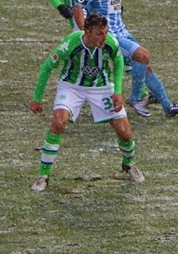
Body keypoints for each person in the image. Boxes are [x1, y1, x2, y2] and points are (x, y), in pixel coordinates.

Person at [28, 13, 144, 192]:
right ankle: (43, 176)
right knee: (58, 123)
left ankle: (128, 164)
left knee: (125, 133)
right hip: (72, 86)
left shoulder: (110, 43)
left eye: (105, 32)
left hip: (102, 87)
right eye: (99, 33)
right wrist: (37, 98)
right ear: (87, 32)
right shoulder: (71, 43)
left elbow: (119, 62)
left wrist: (118, 92)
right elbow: (47, 67)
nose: (104, 37)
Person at [74, 0, 178, 118]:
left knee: (144, 67)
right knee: (143, 55)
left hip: (122, 30)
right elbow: (78, 7)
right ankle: (135, 98)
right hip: (110, 36)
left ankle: (168, 107)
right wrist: (86, 32)